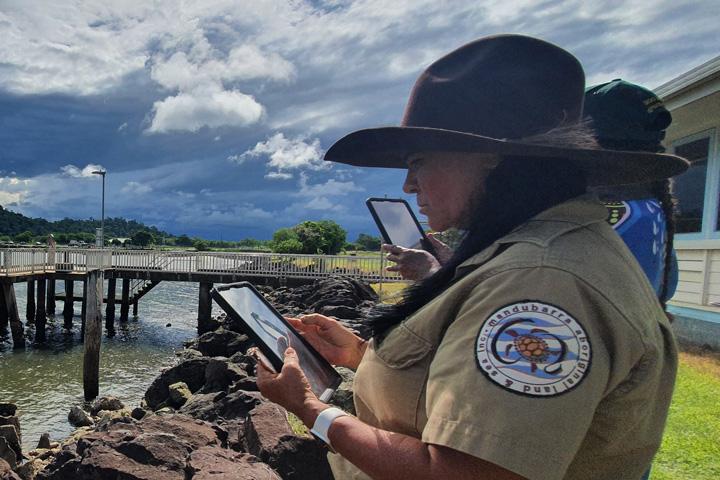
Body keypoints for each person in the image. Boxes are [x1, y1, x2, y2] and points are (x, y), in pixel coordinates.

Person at [256, 34, 688, 480]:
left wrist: (309, 409)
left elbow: (462, 472)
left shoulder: (541, 281)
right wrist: (360, 354)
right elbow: (454, 387)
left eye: (419, 160)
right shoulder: (531, 254)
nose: (409, 184)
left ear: (488, 158)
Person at [388, 80, 680, 312]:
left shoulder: (555, 253)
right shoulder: (646, 208)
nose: (408, 186)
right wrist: (457, 264)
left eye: (419, 161)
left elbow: (520, 296)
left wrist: (432, 272)